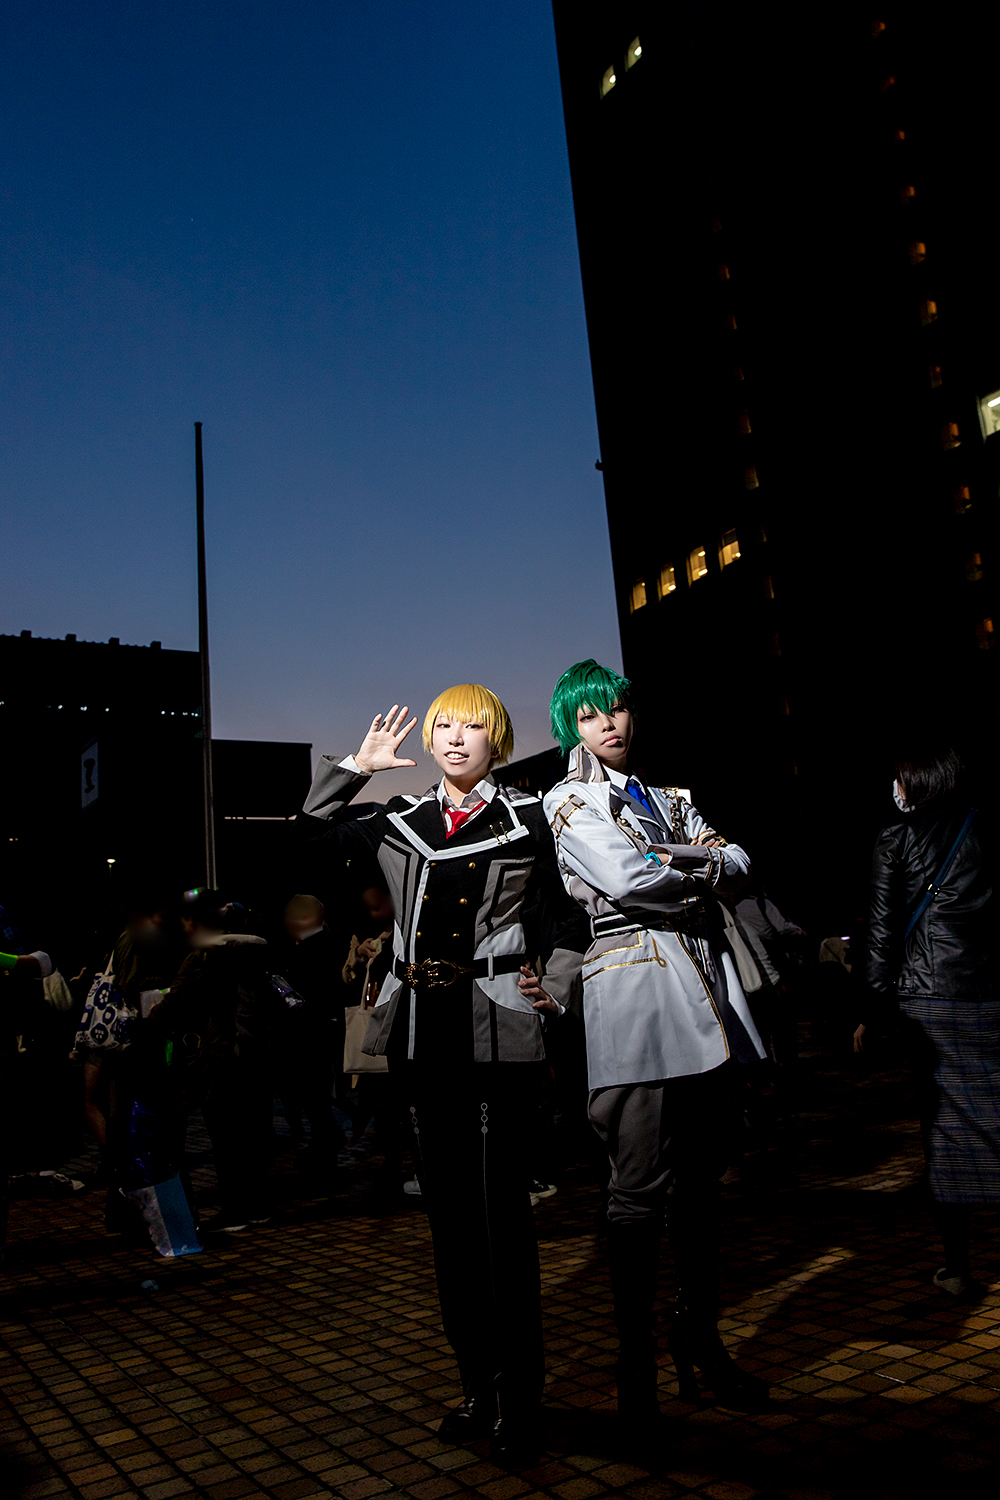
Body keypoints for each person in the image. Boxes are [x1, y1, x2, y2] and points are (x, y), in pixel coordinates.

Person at [296, 687, 587, 1464]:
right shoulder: (398, 818)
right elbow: (308, 843)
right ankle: (477, 1387)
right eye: (444, 727)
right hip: (422, 1037)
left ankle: (521, 1398)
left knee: (503, 1223)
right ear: (428, 740)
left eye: (473, 727)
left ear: (498, 739)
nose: (457, 739)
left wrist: (557, 984)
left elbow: (569, 916)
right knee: (451, 1225)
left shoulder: (532, 817)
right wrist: (357, 767)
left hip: (497, 1029)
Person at [542, 660, 769, 1436]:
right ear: (570, 728)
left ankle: (697, 1339)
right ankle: (634, 1368)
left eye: (615, 709)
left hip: (705, 987)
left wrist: (686, 863)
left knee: (703, 1184)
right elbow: (630, 880)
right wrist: (700, 864)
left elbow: (742, 864)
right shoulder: (569, 797)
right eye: (588, 716)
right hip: (634, 992)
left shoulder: (671, 796)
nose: (607, 724)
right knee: (636, 1188)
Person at [856, 745, 994, 1297]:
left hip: (931, 999)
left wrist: (871, 1010)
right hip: (990, 994)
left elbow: (881, 932)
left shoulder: (897, 838)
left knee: (946, 1128)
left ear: (914, 782)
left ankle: (959, 1266)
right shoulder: (986, 829)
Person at [149, 890, 277, 1233]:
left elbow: (175, 1002)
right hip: (257, 1052)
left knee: (225, 1138)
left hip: (221, 1054)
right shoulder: (256, 951)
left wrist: (148, 1019)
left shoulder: (204, 956)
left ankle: (234, 1211)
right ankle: (259, 1206)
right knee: (253, 1134)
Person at [274, 893, 346, 1182]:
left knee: (314, 1093)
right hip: (318, 1028)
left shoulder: (312, 947)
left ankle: (325, 1149)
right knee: (315, 1094)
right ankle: (324, 1143)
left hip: (311, 1031)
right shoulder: (321, 943)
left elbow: (308, 992)